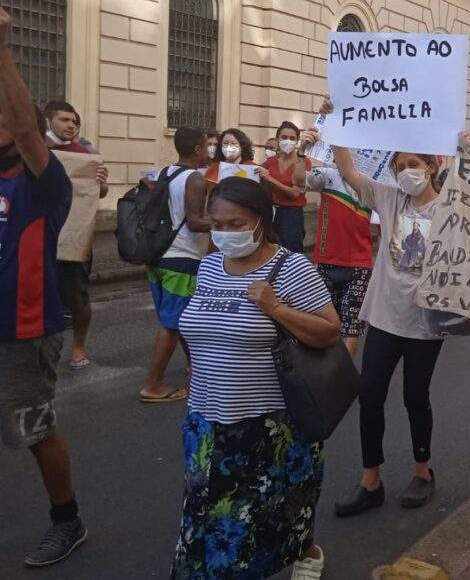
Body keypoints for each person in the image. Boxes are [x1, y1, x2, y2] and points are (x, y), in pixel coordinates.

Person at [172, 176, 338, 579]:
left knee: (270, 513)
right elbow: (196, 328)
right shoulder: (209, 266)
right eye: (217, 224)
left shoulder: (290, 267)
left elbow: (329, 331)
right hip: (206, 421)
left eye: (236, 223)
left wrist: (276, 308)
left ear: (261, 220)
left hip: (267, 425)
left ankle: (307, 552)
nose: (225, 233)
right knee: (205, 514)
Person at [327, 100, 468, 518]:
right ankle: (370, 480)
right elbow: (348, 170)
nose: (407, 170)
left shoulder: (452, 208)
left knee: (414, 396)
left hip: (425, 322)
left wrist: (467, 149)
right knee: (369, 395)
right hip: (386, 317)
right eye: (400, 164)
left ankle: (423, 472)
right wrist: (337, 123)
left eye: (414, 163)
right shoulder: (388, 200)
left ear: (430, 166)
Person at [0, 3, 88, 567]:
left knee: (34, 431)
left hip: (21, 336)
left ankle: (66, 520)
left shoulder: (42, 184)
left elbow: (25, 125)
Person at [140, 127, 212, 403]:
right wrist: (227, 221)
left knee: (179, 318)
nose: (208, 152)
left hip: (156, 256)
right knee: (172, 323)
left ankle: (198, 367)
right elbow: (195, 222)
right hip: (181, 257)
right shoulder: (194, 178)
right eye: (206, 147)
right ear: (197, 150)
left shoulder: (161, 173)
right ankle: (153, 384)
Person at [295, 127, 374, 356]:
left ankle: (342, 381)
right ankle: (325, 373)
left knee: (351, 328)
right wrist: (301, 153)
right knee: (324, 324)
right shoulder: (328, 175)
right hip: (325, 262)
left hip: (359, 265)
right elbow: (299, 179)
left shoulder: (372, 182)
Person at [44, 101, 108, 370]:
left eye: (75, 121)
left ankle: (78, 346)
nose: (71, 125)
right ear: (48, 121)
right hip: (41, 237)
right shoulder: (34, 150)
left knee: (78, 296)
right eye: (64, 120)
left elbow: (99, 194)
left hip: (75, 238)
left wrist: (102, 184)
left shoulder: (85, 153)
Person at [257, 121, 312, 253]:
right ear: (278, 139)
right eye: (284, 137)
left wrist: (270, 178)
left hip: (291, 215)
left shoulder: (303, 163)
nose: (288, 141)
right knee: (270, 252)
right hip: (271, 213)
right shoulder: (270, 162)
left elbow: (295, 193)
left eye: (292, 138)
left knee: (291, 253)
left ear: (298, 141)